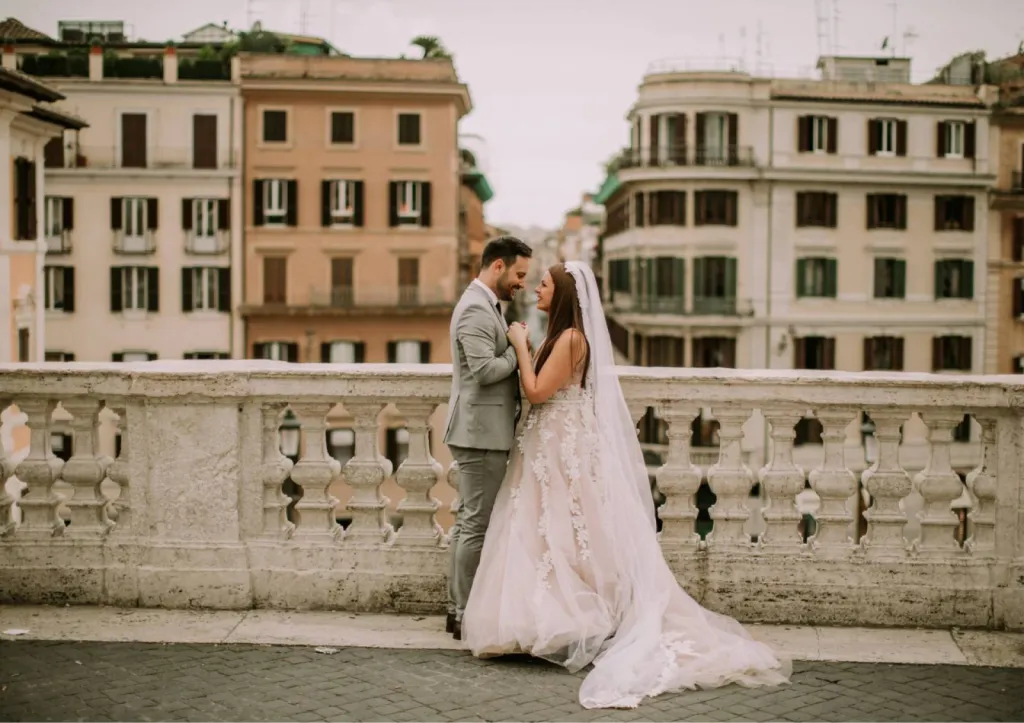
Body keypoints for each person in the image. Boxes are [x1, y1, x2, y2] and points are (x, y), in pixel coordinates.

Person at [462, 261, 792, 709]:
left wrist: (520, 344)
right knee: (541, 527)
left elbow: (537, 391)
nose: (537, 289)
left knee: (564, 525)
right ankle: (536, 617)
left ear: (563, 294)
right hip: (546, 442)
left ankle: (573, 617)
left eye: (545, 285)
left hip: (560, 444)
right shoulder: (561, 336)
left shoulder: (572, 338)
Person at [443, 235, 533, 642]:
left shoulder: (486, 304)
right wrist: (518, 348)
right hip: (480, 434)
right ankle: (464, 613)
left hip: (482, 430)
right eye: (519, 274)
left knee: (469, 522)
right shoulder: (476, 310)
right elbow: (483, 371)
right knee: (476, 525)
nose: (522, 284)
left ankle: (457, 609)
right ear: (498, 266)